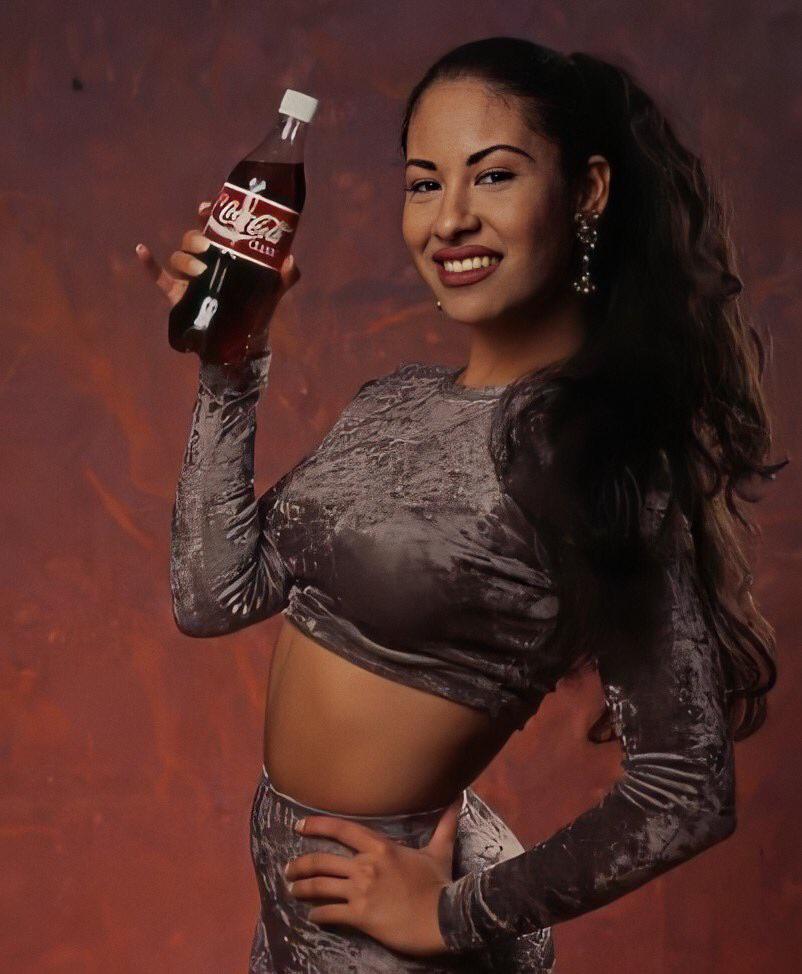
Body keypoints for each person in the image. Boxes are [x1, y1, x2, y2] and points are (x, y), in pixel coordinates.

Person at [135, 36, 787, 974]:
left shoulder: (595, 455)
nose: (450, 220)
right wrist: (230, 364)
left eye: (493, 177)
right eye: (424, 183)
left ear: (588, 191)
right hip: (294, 910)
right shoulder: (394, 401)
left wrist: (454, 916)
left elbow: (685, 787)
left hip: (396, 939)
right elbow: (212, 596)